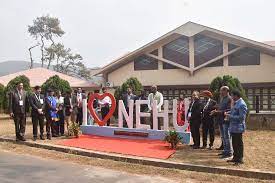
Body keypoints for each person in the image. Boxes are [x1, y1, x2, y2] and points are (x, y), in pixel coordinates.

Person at [225, 90, 248, 165]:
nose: (231, 97)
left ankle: (240, 159)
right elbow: (234, 111)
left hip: (238, 127)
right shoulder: (236, 103)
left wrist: (230, 116)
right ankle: (235, 157)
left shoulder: (242, 104)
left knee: (238, 143)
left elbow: (241, 118)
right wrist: (228, 113)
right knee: (234, 143)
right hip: (233, 127)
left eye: (232, 95)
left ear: (236, 96)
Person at [211, 86, 233, 158]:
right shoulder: (222, 98)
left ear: (226, 91)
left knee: (227, 137)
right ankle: (225, 151)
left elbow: (228, 110)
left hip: (226, 120)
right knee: (223, 137)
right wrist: (216, 110)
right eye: (220, 91)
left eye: (221, 91)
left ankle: (229, 152)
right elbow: (221, 107)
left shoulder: (229, 99)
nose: (220, 92)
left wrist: (218, 111)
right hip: (220, 120)